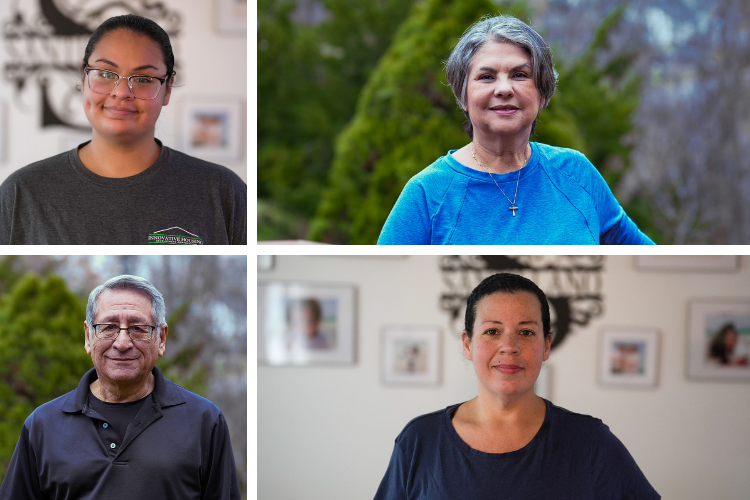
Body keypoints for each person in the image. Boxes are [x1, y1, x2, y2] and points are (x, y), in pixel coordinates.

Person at [375, 273, 660, 499]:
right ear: (467, 344)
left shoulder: (590, 442)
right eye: (492, 332)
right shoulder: (419, 441)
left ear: (546, 345)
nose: (509, 347)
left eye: (526, 332)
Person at [377, 15, 654, 245]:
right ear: (462, 96)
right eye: (486, 77)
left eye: (520, 75)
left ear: (543, 93)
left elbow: (651, 266)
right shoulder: (426, 194)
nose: (504, 89)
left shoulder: (577, 174)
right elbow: (384, 288)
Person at [0, 14, 246, 245]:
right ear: (83, 78)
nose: (121, 92)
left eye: (142, 79)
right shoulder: (21, 193)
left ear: (167, 89)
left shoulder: (222, 191)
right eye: (106, 73)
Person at [0, 275, 242, 499]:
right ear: (88, 336)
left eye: (138, 328)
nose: (123, 342)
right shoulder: (42, 425)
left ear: (161, 338)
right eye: (109, 327)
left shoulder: (204, 421)